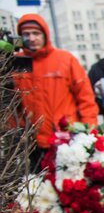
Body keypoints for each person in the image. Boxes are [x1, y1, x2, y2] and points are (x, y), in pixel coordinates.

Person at [12, 14, 98, 168]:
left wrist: (89, 130)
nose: (31, 38)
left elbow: (86, 97)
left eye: (36, 33)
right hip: (35, 143)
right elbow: (13, 105)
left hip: (68, 137)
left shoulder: (64, 59)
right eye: (26, 34)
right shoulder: (18, 63)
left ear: (45, 34)